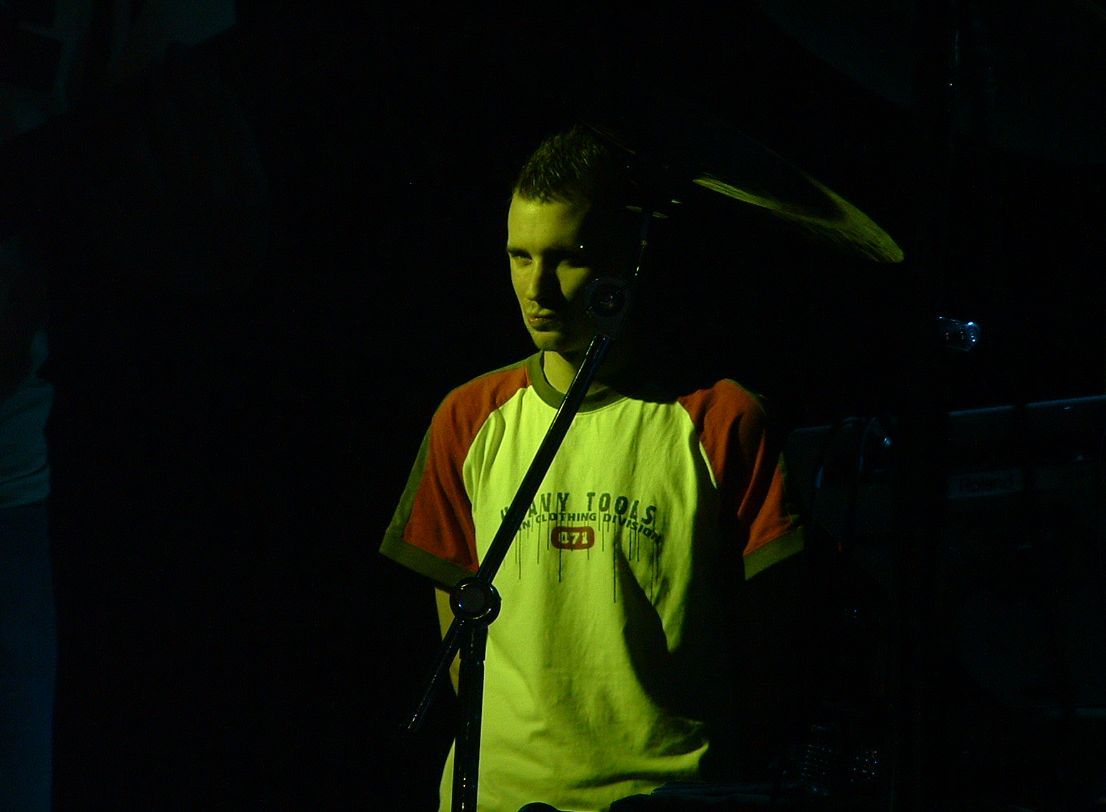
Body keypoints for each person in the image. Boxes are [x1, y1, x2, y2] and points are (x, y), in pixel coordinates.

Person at [381, 123, 807, 812]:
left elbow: (771, 641)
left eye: (567, 258)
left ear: (628, 260)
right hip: (498, 798)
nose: (537, 287)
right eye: (520, 256)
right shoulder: (468, 416)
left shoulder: (721, 419)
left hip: (667, 795)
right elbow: (459, 640)